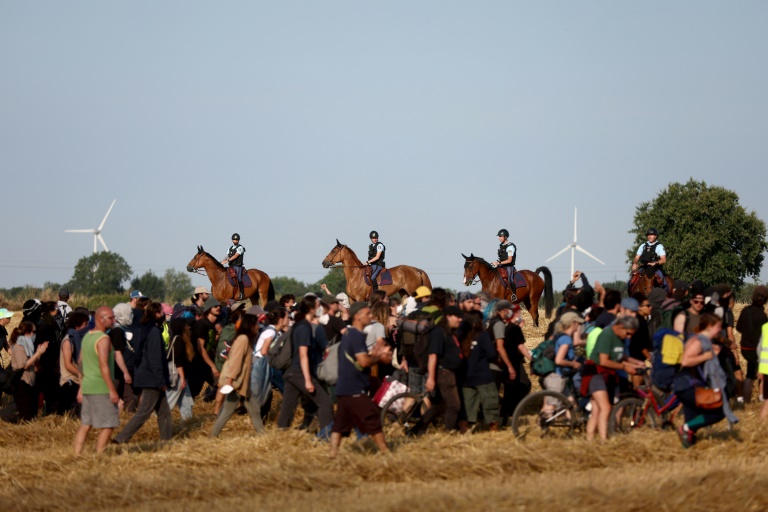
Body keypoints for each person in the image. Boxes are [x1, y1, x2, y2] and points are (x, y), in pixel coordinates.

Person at [329, 302, 392, 458]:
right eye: (367, 313)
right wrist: (378, 356)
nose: (371, 316)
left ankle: (332, 454)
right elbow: (363, 362)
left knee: (340, 424)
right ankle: (386, 453)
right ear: (357, 316)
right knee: (372, 418)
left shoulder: (350, 334)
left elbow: (358, 360)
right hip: (354, 387)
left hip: (345, 387)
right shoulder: (356, 335)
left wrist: (373, 354)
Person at [673, 313, 738, 447]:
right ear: (709, 326)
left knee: (692, 426)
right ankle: (685, 428)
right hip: (687, 385)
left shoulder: (703, 341)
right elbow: (685, 361)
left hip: (688, 384)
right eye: (718, 327)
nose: (720, 330)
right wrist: (707, 355)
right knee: (718, 412)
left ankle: (688, 448)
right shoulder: (698, 341)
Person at [114, 302, 173, 444]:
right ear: (157, 314)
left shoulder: (145, 329)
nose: (164, 315)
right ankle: (121, 438)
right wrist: (161, 381)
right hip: (152, 379)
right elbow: (155, 359)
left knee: (164, 413)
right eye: (161, 312)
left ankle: (166, 441)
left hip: (149, 377)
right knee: (143, 413)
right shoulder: (153, 332)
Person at [276, 296, 334, 437]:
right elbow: (303, 354)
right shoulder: (304, 328)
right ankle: (325, 437)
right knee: (325, 403)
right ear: (311, 309)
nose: (320, 308)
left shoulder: (301, 325)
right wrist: (308, 380)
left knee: (287, 408)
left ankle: (279, 436)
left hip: (292, 373)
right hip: (299, 372)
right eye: (318, 305)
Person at [585, 316, 643, 441]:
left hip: (608, 376)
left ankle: (589, 441)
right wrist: (625, 367)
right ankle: (603, 440)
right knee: (605, 407)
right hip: (596, 374)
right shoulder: (607, 336)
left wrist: (636, 362)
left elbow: (621, 355)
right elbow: (603, 361)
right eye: (628, 333)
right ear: (620, 327)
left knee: (596, 410)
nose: (629, 337)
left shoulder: (620, 337)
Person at [74, 307, 119, 455]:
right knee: (109, 424)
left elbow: (80, 363)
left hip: (88, 386)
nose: (114, 320)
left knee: (86, 424)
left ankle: (76, 454)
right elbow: (103, 365)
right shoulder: (103, 339)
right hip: (101, 387)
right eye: (111, 318)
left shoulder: (88, 336)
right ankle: (99, 456)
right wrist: (112, 390)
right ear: (101, 319)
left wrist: (81, 386)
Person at [211, 314, 266, 437]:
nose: (258, 326)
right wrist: (230, 381)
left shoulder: (244, 339)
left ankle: (263, 436)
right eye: (256, 324)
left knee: (255, 411)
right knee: (226, 412)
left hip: (242, 385)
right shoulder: (243, 339)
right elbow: (235, 361)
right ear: (251, 326)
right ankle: (212, 437)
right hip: (236, 384)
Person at [419, 305, 465, 433]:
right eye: (457, 317)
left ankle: (416, 430)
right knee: (454, 405)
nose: (460, 320)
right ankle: (448, 433)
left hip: (448, 373)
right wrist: (431, 378)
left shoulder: (450, 332)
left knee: (438, 406)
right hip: (443, 373)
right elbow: (433, 355)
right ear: (448, 317)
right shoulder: (439, 332)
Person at [460, 310, 499, 431]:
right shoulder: (482, 335)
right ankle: (494, 432)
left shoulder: (461, 335)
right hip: (483, 376)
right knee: (491, 405)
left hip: (466, 377)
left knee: (466, 409)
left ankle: (464, 431)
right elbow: (491, 354)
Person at [10, 321, 49, 421]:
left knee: (32, 414)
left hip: (30, 382)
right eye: (33, 332)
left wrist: (39, 353)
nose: (34, 334)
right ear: (27, 333)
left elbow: (32, 363)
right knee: (26, 416)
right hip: (22, 384)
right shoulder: (18, 347)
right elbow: (24, 365)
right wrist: (38, 353)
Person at [736, 285, 768, 403]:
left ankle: (746, 399)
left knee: (749, 374)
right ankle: (762, 397)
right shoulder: (763, 316)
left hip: (745, 348)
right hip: (757, 350)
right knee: (763, 373)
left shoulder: (745, 311)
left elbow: (738, 328)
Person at [58, 310, 90, 415]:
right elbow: (68, 364)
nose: (88, 327)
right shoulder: (68, 341)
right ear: (77, 326)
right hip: (70, 383)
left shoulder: (78, 340)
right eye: (85, 324)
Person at [165, 318, 195, 421]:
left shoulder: (176, 339)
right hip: (177, 376)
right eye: (187, 325)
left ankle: (188, 420)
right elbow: (177, 361)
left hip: (181, 376)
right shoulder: (178, 340)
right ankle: (156, 418)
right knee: (170, 401)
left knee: (187, 401)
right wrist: (182, 378)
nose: (189, 327)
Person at [492, 228, 517, 301]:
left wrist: (499, 263)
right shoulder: (502, 246)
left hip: (509, 266)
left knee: (510, 280)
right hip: (502, 265)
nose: (499, 238)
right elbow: (502, 258)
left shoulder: (510, 247)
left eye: (500, 236)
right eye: (498, 237)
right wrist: (496, 262)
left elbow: (509, 260)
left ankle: (513, 294)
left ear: (505, 237)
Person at [221, 233, 246, 300]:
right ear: (232, 240)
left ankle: (241, 293)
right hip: (231, 266)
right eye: (234, 240)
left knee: (239, 279)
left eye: (237, 240)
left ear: (238, 240)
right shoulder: (230, 248)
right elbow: (226, 255)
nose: (235, 241)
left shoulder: (240, 248)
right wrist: (221, 262)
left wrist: (227, 261)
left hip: (238, 266)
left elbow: (236, 256)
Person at [362, 230, 385, 295]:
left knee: (372, 277)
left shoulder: (379, 245)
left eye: (376, 238)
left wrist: (368, 262)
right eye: (373, 238)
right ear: (371, 238)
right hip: (372, 264)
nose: (375, 239)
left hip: (378, 264)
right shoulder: (371, 246)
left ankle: (376, 293)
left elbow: (377, 257)